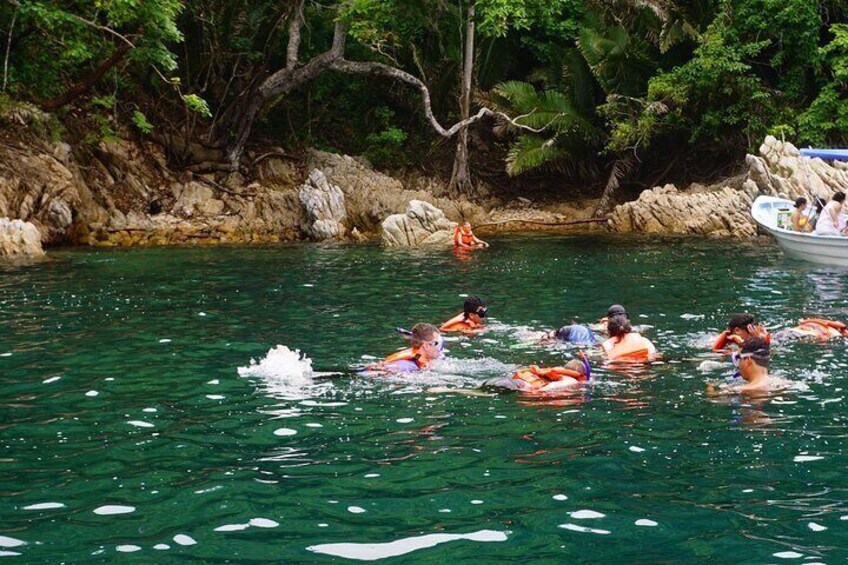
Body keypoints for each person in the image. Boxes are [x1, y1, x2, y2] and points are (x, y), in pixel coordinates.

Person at [706, 337, 788, 396]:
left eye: (738, 358)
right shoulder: (784, 383)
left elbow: (713, 397)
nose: (738, 363)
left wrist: (710, 385)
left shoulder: (740, 390)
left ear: (748, 360)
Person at [484, 352, 591, 392]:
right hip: (522, 385)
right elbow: (549, 388)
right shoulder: (572, 380)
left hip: (517, 380)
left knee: (490, 386)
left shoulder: (559, 372)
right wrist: (533, 392)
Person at [367, 323, 443, 373]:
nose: (440, 348)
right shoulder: (409, 365)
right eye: (437, 343)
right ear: (426, 346)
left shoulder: (417, 357)